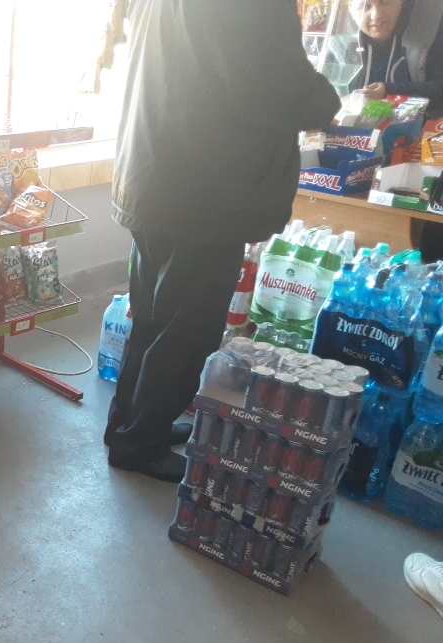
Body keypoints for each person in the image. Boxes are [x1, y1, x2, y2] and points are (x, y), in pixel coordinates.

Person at [105, 0, 340, 482]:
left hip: (151, 174)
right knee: (187, 329)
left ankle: (127, 425)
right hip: (206, 192)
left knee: (152, 317)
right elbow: (276, 85)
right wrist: (328, 101)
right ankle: (141, 442)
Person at [349, 0, 443, 116]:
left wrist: (389, 91)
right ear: (351, 10)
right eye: (365, 6)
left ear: (401, 2)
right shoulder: (339, 43)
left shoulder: (432, 27)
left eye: (384, 2)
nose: (376, 15)